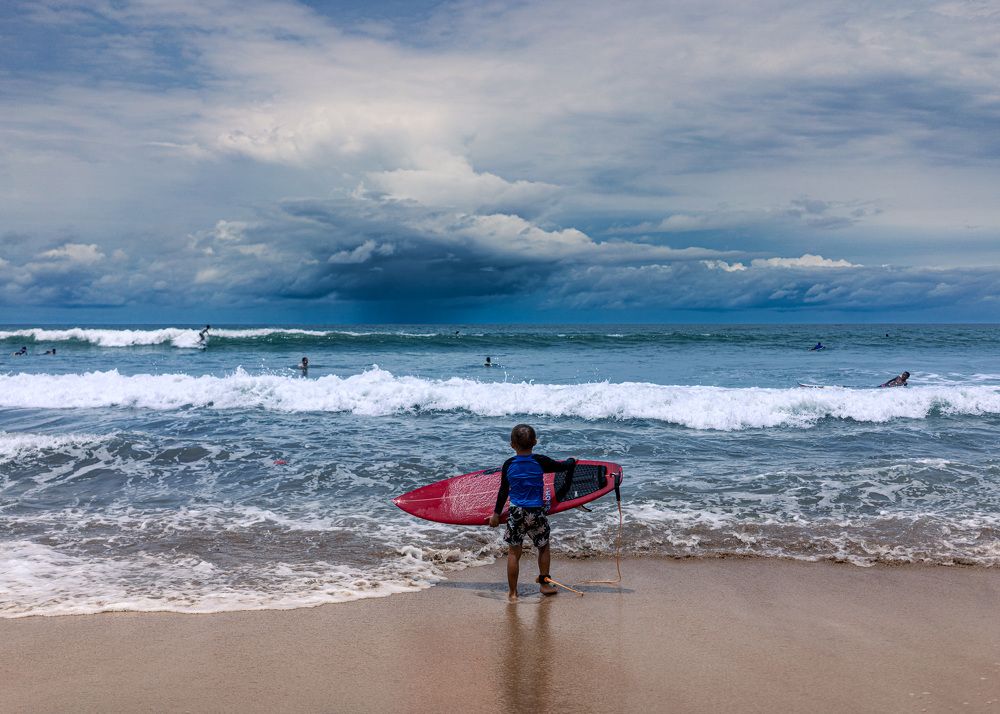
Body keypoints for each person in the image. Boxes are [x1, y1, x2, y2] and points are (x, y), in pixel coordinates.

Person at [487, 424, 576, 602]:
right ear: (535, 442)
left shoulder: (509, 464)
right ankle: (544, 584)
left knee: (514, 553)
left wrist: (496, 514)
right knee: (543, 547)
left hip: (516, 512)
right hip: (536, 511)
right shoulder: (541, 461)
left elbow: (503, 491)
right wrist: (572, 461)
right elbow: (562, 467)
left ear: (512, 445)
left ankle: (513, 593)